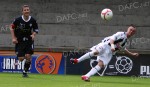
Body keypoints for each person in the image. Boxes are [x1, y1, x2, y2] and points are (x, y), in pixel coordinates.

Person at [70, 25, 139, 81]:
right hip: (105, 45)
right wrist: (112, 46)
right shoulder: (120, 34)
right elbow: (112, 39)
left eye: (133, 31)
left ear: (134, 33)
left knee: (101, 65)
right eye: (131, 29)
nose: (131, 31)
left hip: (109, 53)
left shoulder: (126, 41)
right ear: (128, 29)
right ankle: (77, 60)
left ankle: (86, 76)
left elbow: (123, 49)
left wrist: (132, 54)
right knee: (95, 52)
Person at [10, 5, 39, 77]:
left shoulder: (33, 20)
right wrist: (13, 38)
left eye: (27, 10)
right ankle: (21, 57)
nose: (26, 11)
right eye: (25, 10)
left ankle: (25, 72)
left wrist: (33, 34)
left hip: (29, 40)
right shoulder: (18, 20)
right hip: (19, 41)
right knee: (21, 59)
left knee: (28, 56)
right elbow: (11, 27)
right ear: (22, 11)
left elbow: (36, 29)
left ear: (29, 11)